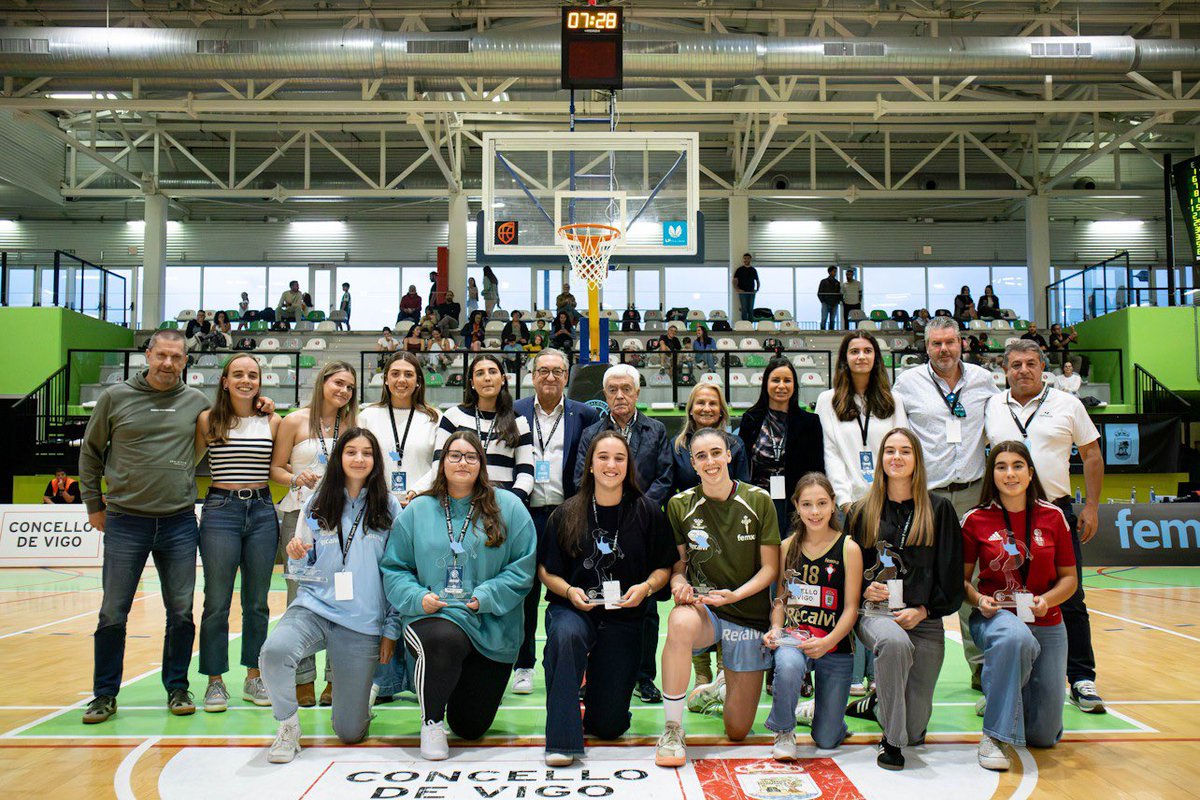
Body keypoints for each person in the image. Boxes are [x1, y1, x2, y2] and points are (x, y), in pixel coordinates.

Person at [78, 330, 209, 723]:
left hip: (179, 522)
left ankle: (178, 687)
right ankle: (103, 695)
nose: (168, 363)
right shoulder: (115, 398)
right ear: (147, 355)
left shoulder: (196, 402)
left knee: (182, 611)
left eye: (177, 357)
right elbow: (90, 453)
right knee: (113, 613)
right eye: (161, 355)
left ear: (186, 361)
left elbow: (202, 446)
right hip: (124, 521)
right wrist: (93, 505)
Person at [381, 431, 536, 759]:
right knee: (445, 640)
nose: (462, 462)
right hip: (434, 615)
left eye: (470, 456)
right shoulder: (418, 510)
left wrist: (486, 596)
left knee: (470, 726)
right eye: (454, 455)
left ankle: (449, 683)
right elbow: (395, 568)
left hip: (490, 624)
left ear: (481, 463)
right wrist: (416, 597)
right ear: (442, 462)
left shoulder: (509, 507)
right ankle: (432, 722)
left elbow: (523, 568)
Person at [262, 428, 403, 763]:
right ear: (339, 458)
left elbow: (400, 571)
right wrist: (296, 554)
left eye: (366, 453)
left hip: (362, 620)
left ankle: (361, 698)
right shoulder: (318, 500)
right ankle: (287, 727)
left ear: (375, 460)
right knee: (273, 652)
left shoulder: (389, 505)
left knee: (350, 732)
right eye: (350, 451)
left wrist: (391, 629)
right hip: (315, 608)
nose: (358, 458)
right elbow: (302, 566)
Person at [539, 431, 677, 765]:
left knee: (608, 726)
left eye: (619, 458)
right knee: (566, 637)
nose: (610, 465)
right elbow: (546, 571)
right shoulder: (567, 512)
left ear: (628, 465)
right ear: (589, 465)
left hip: (624, 618)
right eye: (603, 457)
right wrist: (569, 591)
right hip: (574, 610)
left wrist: (645, 587)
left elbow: (664, 567)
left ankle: (597, 694)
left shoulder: (647, 512)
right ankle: (561, 740)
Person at [983, 339, 1106, 713]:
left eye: (1031, 363)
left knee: (1070, 595)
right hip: (1007, 516)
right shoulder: (992, 405)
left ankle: (1082, 678)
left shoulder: (1067, 404)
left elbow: (1092, 454)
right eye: (1016, 364)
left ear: (1043, 368)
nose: (1023, 370)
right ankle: (1005, 681)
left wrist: (1092, 507)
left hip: (1055, 511)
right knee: (1007, 597)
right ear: (1005, 370)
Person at [655, 428, 780, 767]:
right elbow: (679, 567)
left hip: (748, 614)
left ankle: (717, 691)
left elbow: (771, 569)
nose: (709, 461)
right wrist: (679, 582)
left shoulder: (758, 500)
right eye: (701, 456)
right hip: (706, 612)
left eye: (715, 453)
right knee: (678, 620)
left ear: (729, 455)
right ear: (693, 464)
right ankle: (672, 728)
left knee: (738, 730)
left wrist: (734, 596)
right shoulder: (680, 505)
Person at [844, 428, 964, 771]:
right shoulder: (862, 511)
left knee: (915, 731)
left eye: (905, 451)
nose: (896, 457)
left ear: (917, 461)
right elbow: (848, 569)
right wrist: (864, 589)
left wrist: (925, 609)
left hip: (924, 620)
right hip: (876, 614)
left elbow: (953, 577)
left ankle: (879, 707)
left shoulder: (939, 510)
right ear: (880, 459)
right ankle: (891, 743)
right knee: (895, 645)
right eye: (890, 451)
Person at [893, 315, 998, 689]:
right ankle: (905, 667)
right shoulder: (907, 383)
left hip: (973, 491)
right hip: (928, 497)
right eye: (936, 343)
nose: (944, 349)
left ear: (961, 343)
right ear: (926, 346)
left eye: (950, 342)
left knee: (973, 582)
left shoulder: (984, 380)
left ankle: (982, 666)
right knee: (916, 580)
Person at [961, 441, 1077, 770]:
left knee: (1043, 736)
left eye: (1017, 466)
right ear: (992, 474)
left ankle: (1001, 690)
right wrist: (978, 599)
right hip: (996, 618)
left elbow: (1069, 579)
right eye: (1001, 467)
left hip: (1047, 619)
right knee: (1015, 639)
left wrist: (1046, 600)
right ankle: (993, 736)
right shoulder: (975, 519)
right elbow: (961, 580)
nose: (1009, 473)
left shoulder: (1053, 516)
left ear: (1029, 473)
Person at [575, 363, 675, 703]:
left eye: (626, 389)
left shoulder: (656, 430)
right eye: (613, 390)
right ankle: (596, 674)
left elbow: (664, 477)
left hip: (642, 529)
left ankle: (644, 677)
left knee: (644, 605)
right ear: (604, 394)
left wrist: (637, 511)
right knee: (600, 602)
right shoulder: (591, 433)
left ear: (637, 392)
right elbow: (580, 478)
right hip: (600, 528)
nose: (620, 395)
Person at [194, 355, 282, 712]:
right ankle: (215, 682)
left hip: (262, 509)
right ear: (225, 381)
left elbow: (280, 466)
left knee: (257, 602)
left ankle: (253, 676)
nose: (246, 380)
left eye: (253, 375)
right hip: (220, 509)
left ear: (260, 382)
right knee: (216, 601)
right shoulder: (208, 420)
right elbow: (187, 462)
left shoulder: (273, 420)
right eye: (238, 374)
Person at [270, 361, 359, 707]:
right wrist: (295, 478)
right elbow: (275, 468)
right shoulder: (294, 420)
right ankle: (302, 677)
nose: (344, 391)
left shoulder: (351, 424)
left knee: (343, 596)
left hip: (340, 519)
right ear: (323, 382)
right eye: (339, 383)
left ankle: (335, 679)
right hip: (299, 516)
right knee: (300, 597)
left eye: (350, 387)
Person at [510, 349, 600, 694]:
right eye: (543, 371)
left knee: (570, 587)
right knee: (526, 590)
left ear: (567, 377)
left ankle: (574, 661)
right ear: (533, 375)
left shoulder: (586, 414)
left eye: (557, 372)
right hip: (525, 512)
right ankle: (523, 664)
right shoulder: (515, 411)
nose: (550, 377)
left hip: (568, 513)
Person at [764, 473, 862, 758]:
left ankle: (820, 714)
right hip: (796, 637)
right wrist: (775, 628)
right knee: (790, 665)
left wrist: (827, 640)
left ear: (833, 504)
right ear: (796, 506)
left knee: (827, 740)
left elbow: (851, 608)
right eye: (807, 504)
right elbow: (780, 599)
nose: (815, 512)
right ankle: (784, 730)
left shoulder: (848, 548)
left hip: (835, 643)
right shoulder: (786, 547)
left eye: (821, 503)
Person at [672, 384, 750, 686]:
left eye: (712, 403)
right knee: (693, 596)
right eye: (700, 402)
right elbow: (670, 488)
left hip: (729, 531)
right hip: (691, 530)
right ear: (691, 408)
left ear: (721, 410)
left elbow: (743, 486)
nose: (706, 408)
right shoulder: (677, 445)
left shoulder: (736, 444)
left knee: (725, 595)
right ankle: (701, 673)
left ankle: (722, 669)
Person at [816, 331, 908, 511]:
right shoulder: (827, 400)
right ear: (844, 359)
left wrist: (894, 495)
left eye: (867, 351)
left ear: (876, 358)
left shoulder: (894, 400)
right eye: (854, 351)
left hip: (888, 500)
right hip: (845, 503)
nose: (861, 357)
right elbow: (830, 453)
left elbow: (902, 451)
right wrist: (844, 501)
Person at [738, 357, 825, 536]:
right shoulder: (751, 419)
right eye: (776, 380)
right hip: (757, 502)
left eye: (787, 380)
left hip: (796, 504)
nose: (781, 386)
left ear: (794, 385)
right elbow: (743, 464)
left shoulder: (810, 422)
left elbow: (817, 469)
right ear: (766, 384)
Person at [434, 354, 535, 503]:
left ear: (502, 379)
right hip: (459, 502)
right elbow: (439, 465)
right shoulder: (453, 417)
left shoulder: (518, 422)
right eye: (480, 373)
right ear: (472, 383)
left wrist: (510, 503)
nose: (487, 378)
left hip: (502, 505)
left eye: (492, 372)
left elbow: (526, 473)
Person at [359, 352, 441, 504]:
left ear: (418, 381)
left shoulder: (434, 417)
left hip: (421, 502)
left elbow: (441, 463)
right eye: (395, 374)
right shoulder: (367, 416)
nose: (401, 380)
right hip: (376, 504)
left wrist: (418, 490)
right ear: (385, 379)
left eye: (408, 374)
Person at [732, 252, 759, 322]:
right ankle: (744, 324)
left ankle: (750, 325)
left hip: (751, 293)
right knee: (744, 309)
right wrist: (737, 289)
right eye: (745, 258)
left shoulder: (753, 270)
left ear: (750, 259)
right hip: (743, 293)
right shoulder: (739, 269)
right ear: (743, 259)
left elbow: (757, 281)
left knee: (750, 309)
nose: (746, 260)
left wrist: (757, 289)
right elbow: (734, 281)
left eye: (748, 258)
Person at [817, 266, 842, 331]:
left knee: (832, 320)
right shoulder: (824, 281)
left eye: (836, 271)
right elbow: (819, 293)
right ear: (829, 272)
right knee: (824, 319)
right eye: (834, 271)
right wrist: (823, 301)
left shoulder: (837, 283)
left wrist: (838, 301)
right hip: (826, 302)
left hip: (834, 303)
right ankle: (822, 333)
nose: (835, 273)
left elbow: (839, 293)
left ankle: (831, 333)